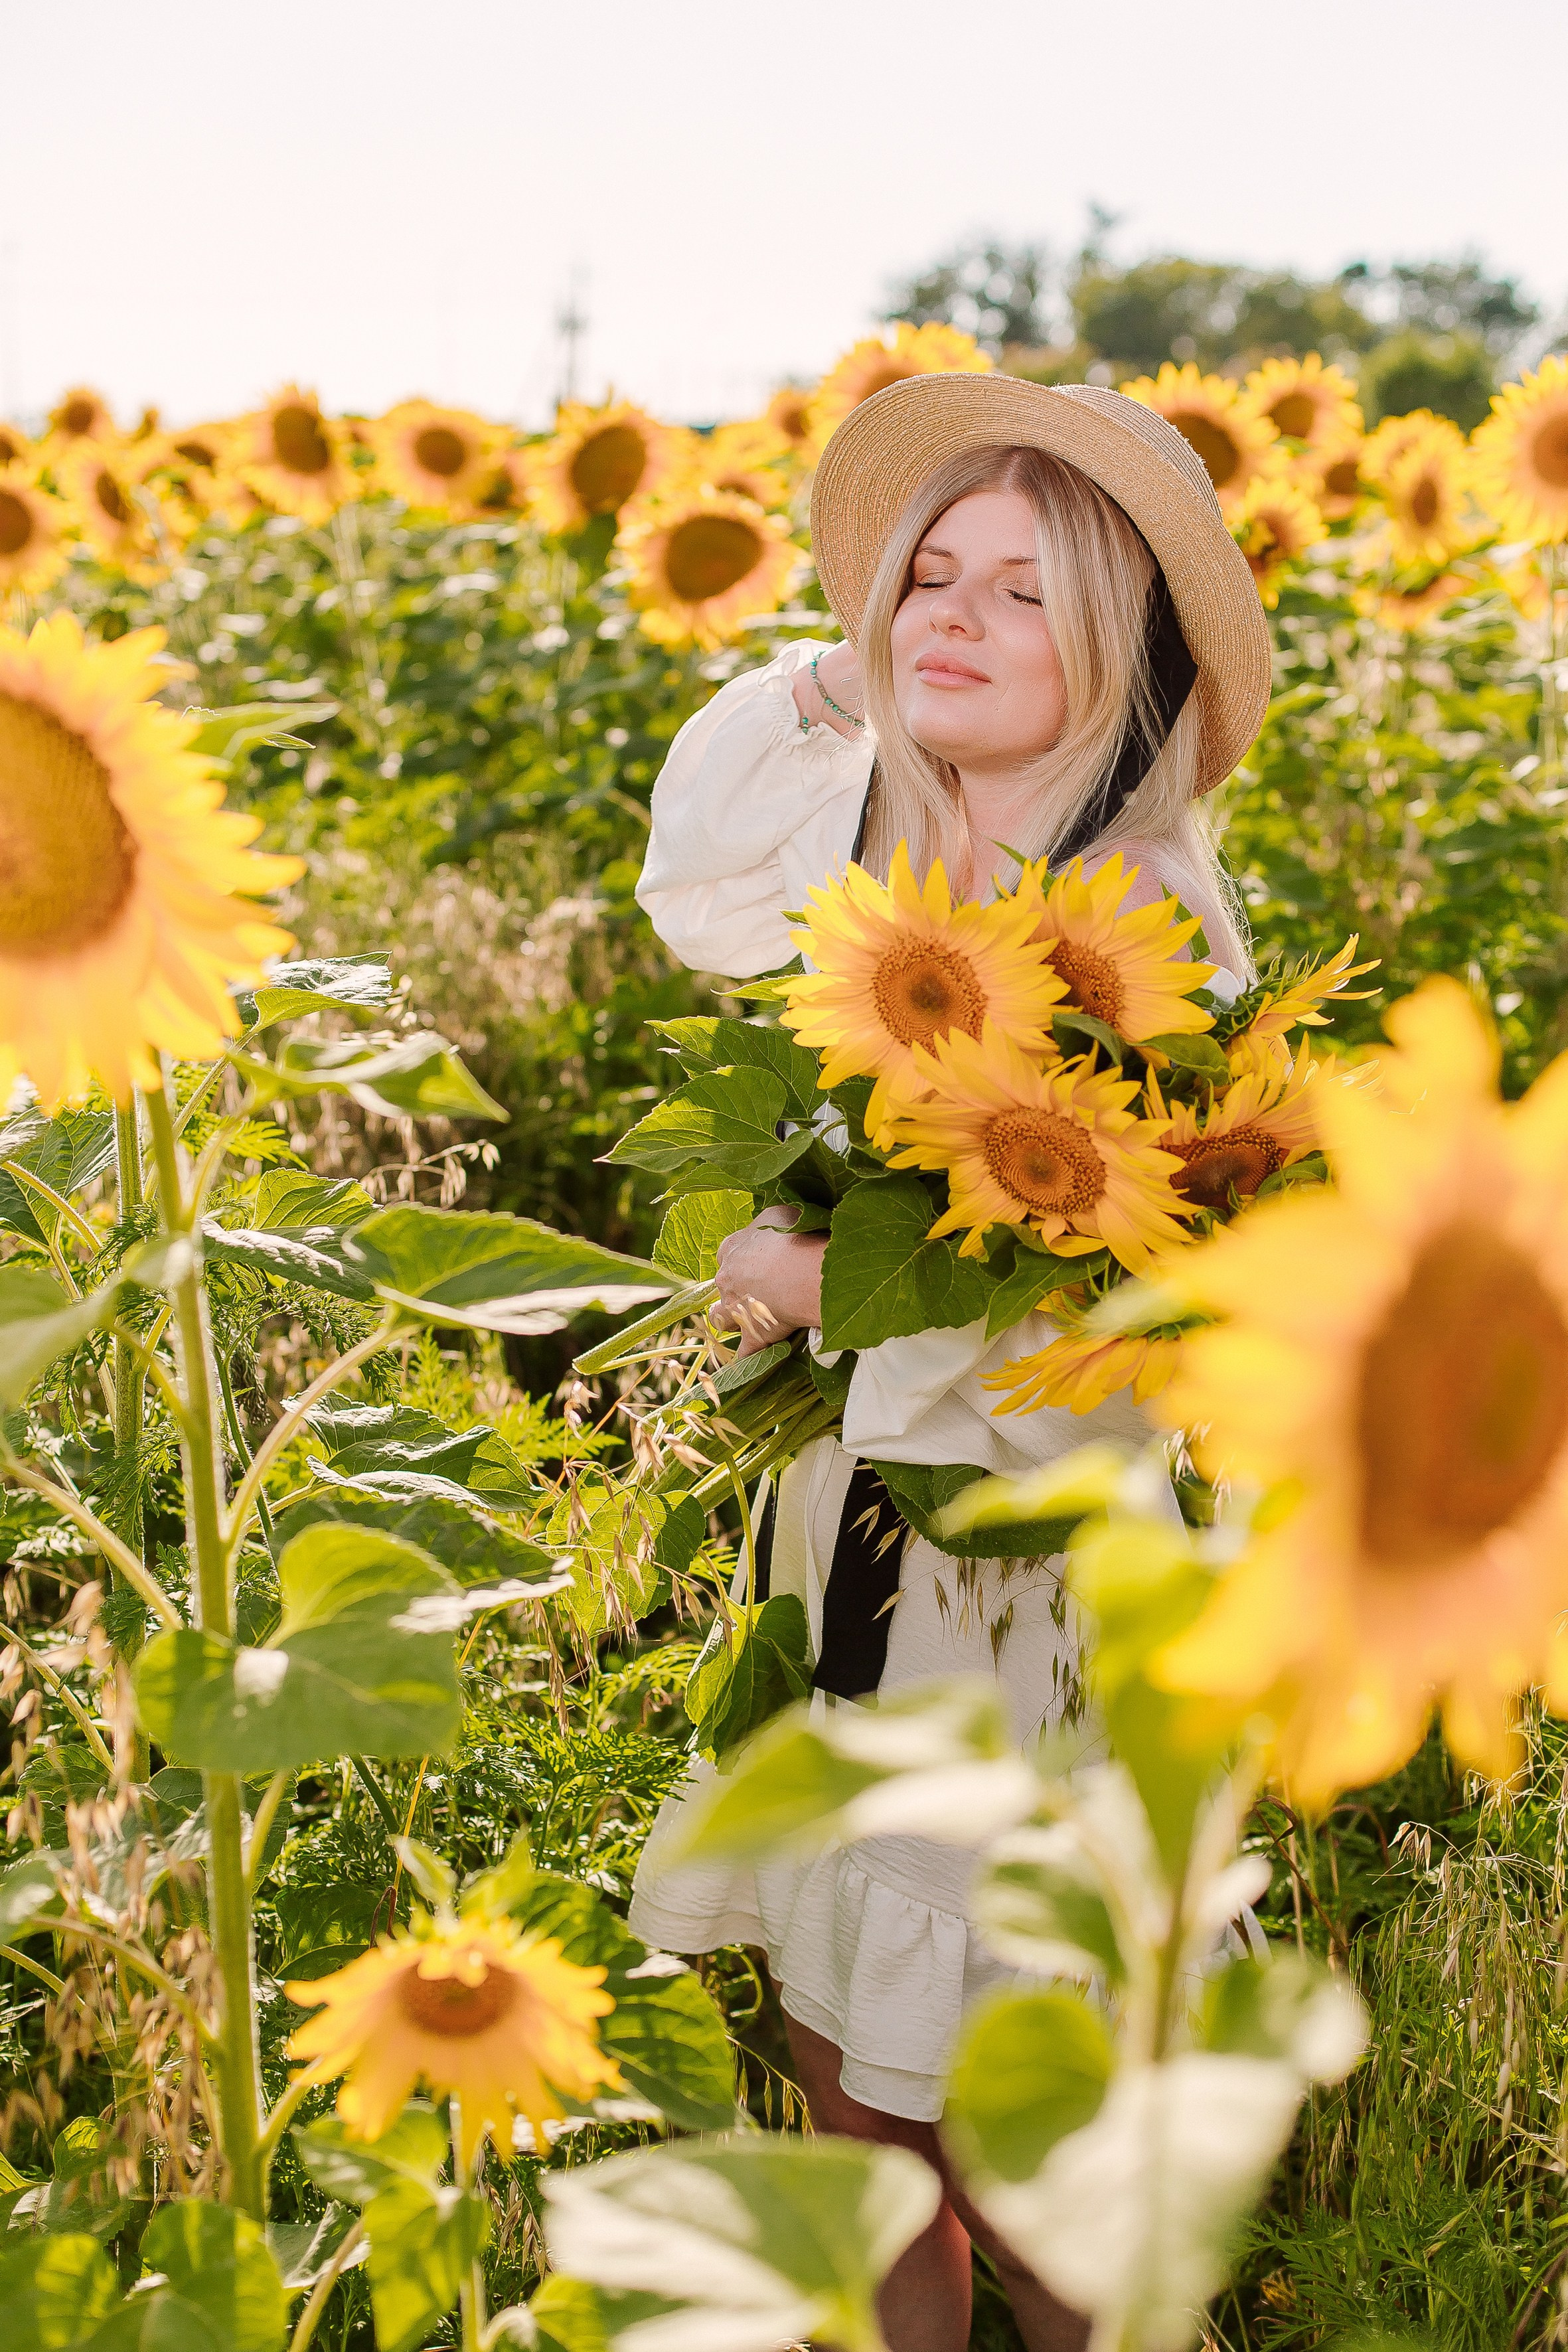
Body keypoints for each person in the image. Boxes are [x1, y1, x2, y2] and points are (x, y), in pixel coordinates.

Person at [627, 373, 1272, 2352]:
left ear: (1118, 656)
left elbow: (1078, 1294)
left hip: (1016, 1583)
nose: (953, 620)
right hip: (865, 1538)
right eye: (928, 576)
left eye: (1022, 593)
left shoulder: (1129, 922)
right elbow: (693, 886)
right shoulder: (899, 866)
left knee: (1013, 2127)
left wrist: (813, 1287)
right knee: (859, 2106)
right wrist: (843, 685)